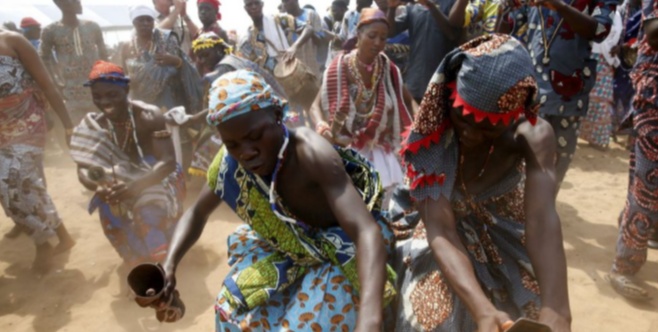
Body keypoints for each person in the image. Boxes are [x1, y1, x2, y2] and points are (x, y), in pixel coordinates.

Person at [159, 69, 397, 331]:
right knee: (230, 313)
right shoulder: (228, 166)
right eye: (233, 145)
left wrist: (370, 318)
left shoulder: (311, 153)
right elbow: (196, 214)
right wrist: (169, 266)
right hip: (290, 250)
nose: (246, 153)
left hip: (344, 249)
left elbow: (365, 231)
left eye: (255, 137)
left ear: (276, 115)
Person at [394, 34, 571, 332]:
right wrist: (482, 309)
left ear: (515, 114)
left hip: (500, 229)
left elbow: (542, 220)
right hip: (438, 231)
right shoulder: (435, 131)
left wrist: (558, 310)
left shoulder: (533, 135)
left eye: (488, 129)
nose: (472, 135)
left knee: (533, 308)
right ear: (452, 96)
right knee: (430, 316)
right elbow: (440, 228)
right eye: (465, 121)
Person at [69, 61, 185, 267]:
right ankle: (139, 264)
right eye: (97, 96)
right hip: (119, 180)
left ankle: (164, 263)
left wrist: (134, 186)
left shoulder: (149, 116)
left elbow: (168, 162)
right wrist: (99, 187)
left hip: (157, 174)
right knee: (110, 214)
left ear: (126, 89)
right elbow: (83, 168)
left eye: (112, 95)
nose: (104, 102)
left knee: (149, 211)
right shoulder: (94, 125)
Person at [503, 0, 618, 187]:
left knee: (554, 171)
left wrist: (561, 7)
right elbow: (509, 28)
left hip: (569, 97)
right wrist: (506, 7)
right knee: (520, 168)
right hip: (530, 93)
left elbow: (600, 31)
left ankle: (542, 211)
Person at [311, 8, 414, 205]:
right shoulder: (340, 67)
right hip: (346, 145)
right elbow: (314, 107)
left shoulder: (386, 67)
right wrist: (322, 127)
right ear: (358, 35)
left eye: (383, 38)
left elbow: (408, 100)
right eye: (372, 36)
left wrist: (420, 123)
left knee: (385, 204)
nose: (378, 43)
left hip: (379, 146)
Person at [0, 28, 75, 272]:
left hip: (27, 121)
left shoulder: (12, 41)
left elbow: (47, 83)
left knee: (11, 183)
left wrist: (68, 126)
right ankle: (62, 235)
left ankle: (43, 242)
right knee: (25, 186)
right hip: (1, 130)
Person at [608, 0, 658, 302]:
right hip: (654, 102)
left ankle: (633, 230)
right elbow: (653, 30)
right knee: (646, 186)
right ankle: (623, 266)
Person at [186, 32, 286, 178]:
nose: (201, 60)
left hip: (266, 116)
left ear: (219, 50)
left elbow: (222, 108)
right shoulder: (234, 60)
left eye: (206, 55)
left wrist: (193, 119)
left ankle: (223, 181)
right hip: (274, 110)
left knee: (210, 143)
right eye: (199, 57)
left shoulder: (222, 70)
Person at [236, 0, 315, 125]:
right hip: (274, 87)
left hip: (292, 75)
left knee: (311, 111)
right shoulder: (248, 37)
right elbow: (247, 65)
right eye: (249, 5)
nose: (254, 7)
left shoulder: (278, 19)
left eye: (256, 3)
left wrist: (294, 47)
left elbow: (308, 29)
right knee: (292, 122)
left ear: (262, 5)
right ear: (245, 8)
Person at [116, 5, 203, 115]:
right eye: (141, 20)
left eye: (149, 20)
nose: (145, 23)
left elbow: (185, 66)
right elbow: (125, 75)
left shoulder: (167, 39)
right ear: (134, 23)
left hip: (169, 99)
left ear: (153, 22)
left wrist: (175, 61)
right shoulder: (127, 47)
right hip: (141, 101)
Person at [40, 0, 108, 126]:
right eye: (75, 1)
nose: (79, 4)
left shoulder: (93, 27)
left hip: (96, 88)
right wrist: (55, 84)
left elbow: (104, 54)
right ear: (62, 4)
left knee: (103, 128)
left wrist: (106, 78)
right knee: (78, 132)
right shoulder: (50, 31)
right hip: (70, 91)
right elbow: (44, 59)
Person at [384, 0, 460, 103]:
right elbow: (390, 32)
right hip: (415, 82)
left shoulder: (452, 3)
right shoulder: (412, 7)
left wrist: (430, 5)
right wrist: (391, 8)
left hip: (442, 82)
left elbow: (452, 35)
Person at [579, 10, 623, 150]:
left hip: (605, 60)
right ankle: (576, 134)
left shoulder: (616, 14)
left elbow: (617, 35)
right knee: (583, 97)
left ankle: (598, 139)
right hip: (586, 56)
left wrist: (617, 48)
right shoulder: (589, 7)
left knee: (602, 100)